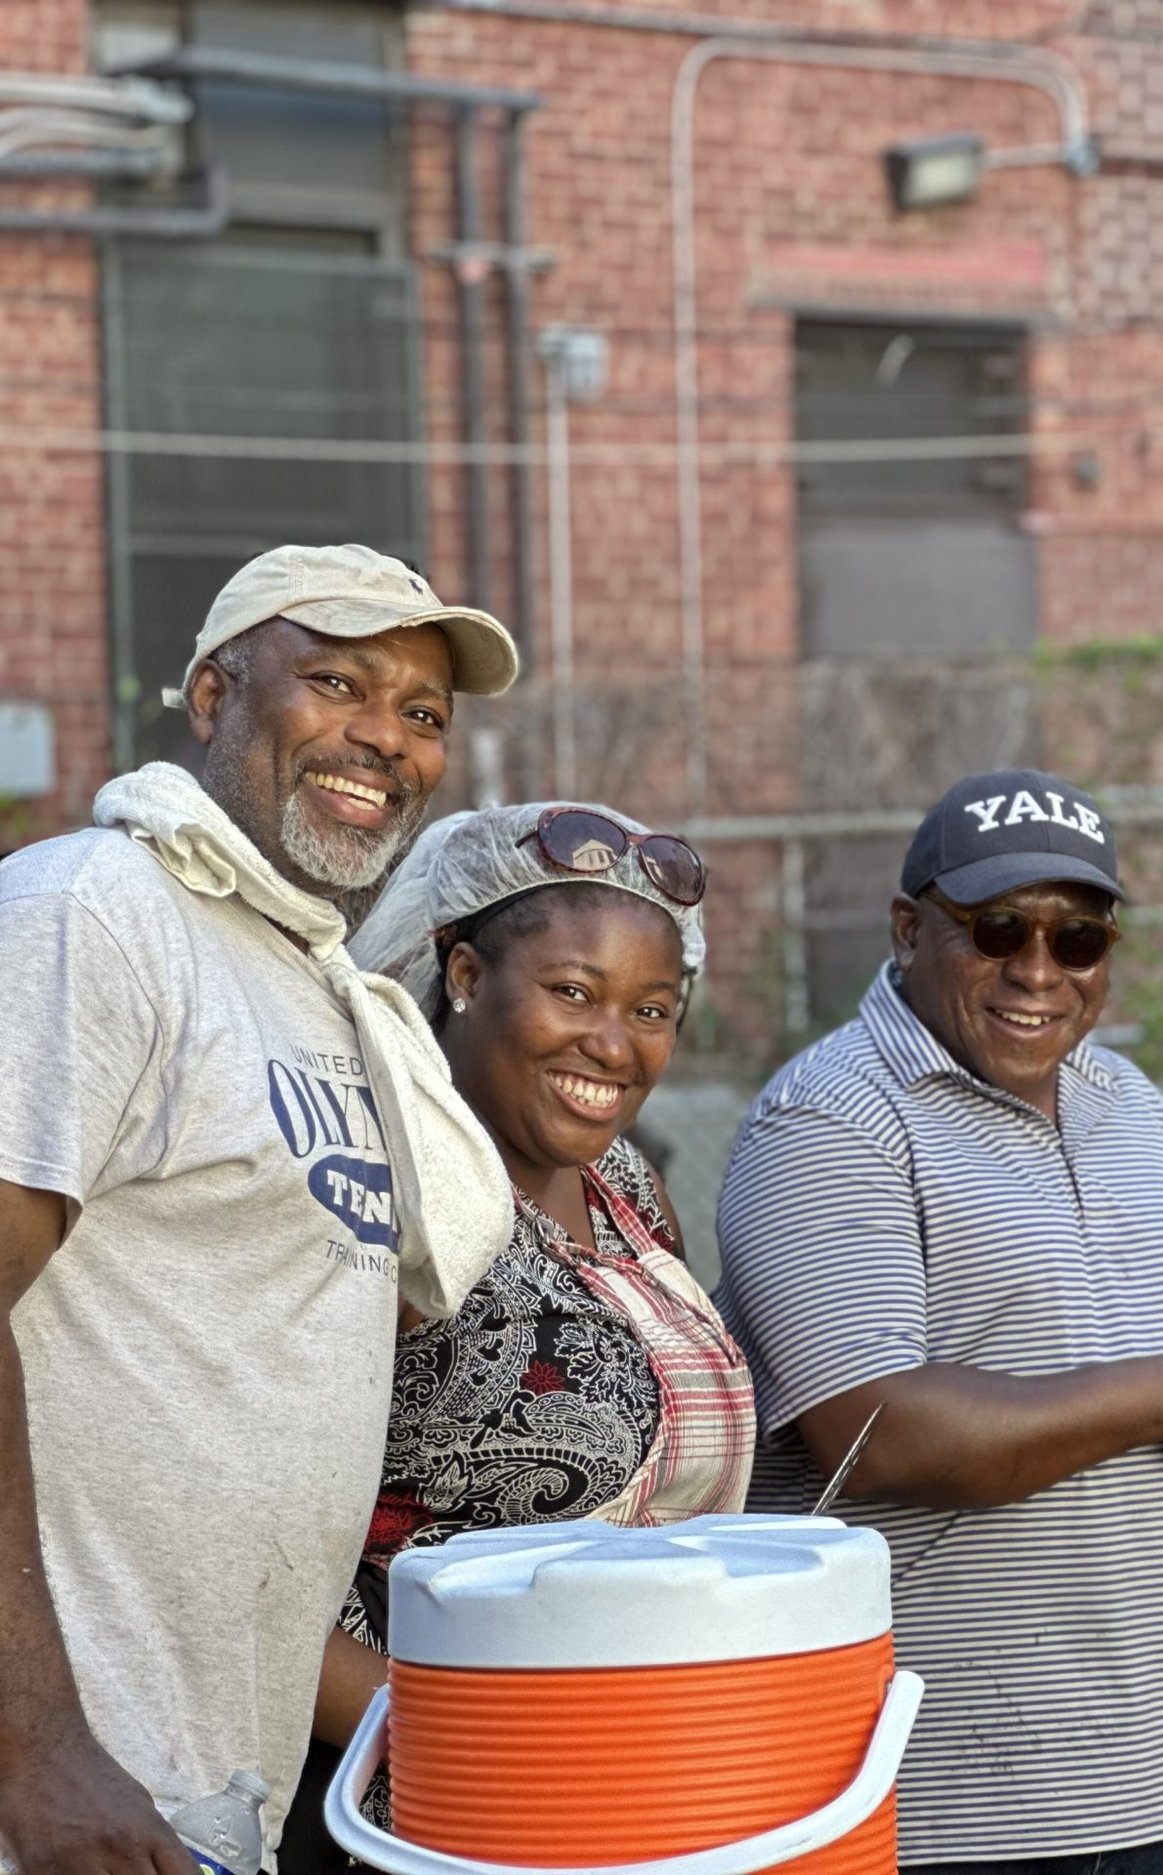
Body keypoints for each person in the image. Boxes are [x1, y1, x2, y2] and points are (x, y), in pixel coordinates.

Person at [718, 768, 1163, 1875]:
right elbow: (872, 1432)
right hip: (962, 1808)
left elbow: (1121, 1370)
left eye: (1078, 941)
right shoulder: (825, 1120)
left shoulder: (1131, 1106)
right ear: (908, 928)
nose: (1037, 970)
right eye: (997, 928)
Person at [0, 545, 519, 1873]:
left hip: (206, 1782)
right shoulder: (94, 916)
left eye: (421, 713)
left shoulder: (317, 981)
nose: (382, 739)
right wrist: (35, 1746)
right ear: (214, 692)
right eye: (335, 681)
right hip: (68, 1794)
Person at [271, 803, 751, 1868]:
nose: (614, 1045)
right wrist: (473, 1743)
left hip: (635, 1794)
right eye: (573, 993)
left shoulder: (623, 1187)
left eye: (653, 1008)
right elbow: (236, 1544)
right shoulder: (382, 1203)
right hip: (434, 1812)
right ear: (466, 976)